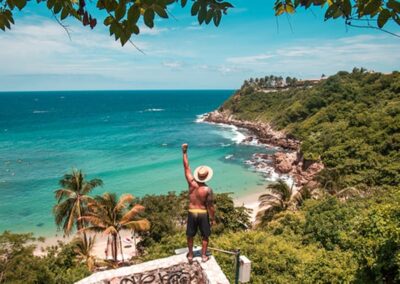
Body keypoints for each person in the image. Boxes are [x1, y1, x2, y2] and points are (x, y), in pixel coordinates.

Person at [182, 143, 215, 263]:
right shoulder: (208, 190)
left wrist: (184, 152)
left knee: (190, 235)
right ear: (207, 177)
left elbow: (186, 167)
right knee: (205, 235)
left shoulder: (191, 183)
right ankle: (204, 256)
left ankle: (190, 255)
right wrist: (212, 218)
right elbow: (210, 206)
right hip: (202, 213)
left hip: (191, 211)